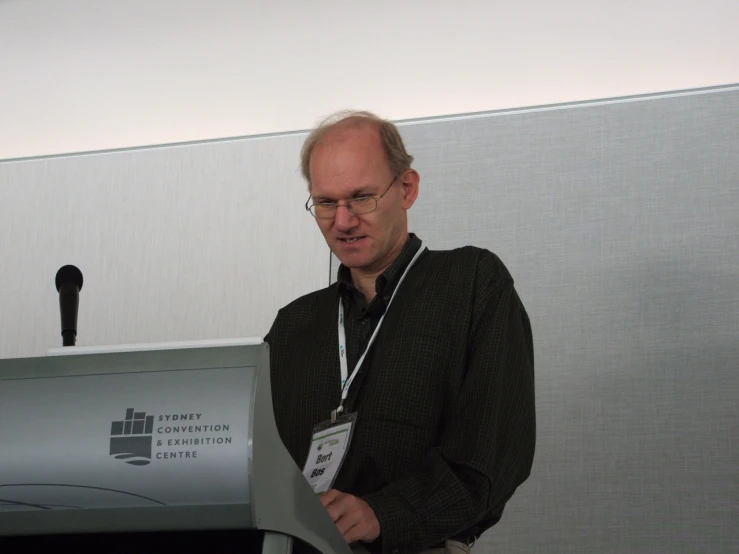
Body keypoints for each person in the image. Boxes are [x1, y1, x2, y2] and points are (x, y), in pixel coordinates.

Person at [264, 110, 536, 554]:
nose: (344, 222)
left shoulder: (471, 284)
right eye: (327, 203)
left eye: (362, 198)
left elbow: (493, 453)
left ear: (407, 189)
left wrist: (383, 513)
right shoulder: (293, 325)